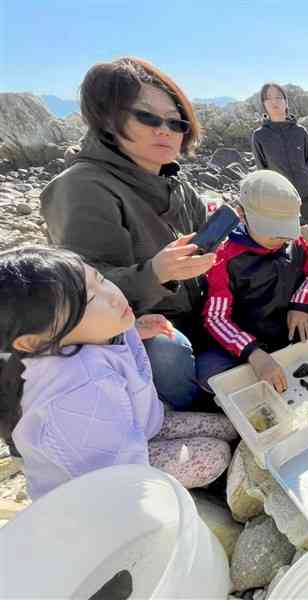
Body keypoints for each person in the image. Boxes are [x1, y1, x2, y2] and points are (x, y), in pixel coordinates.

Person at [40, 57, 215, 410]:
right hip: (136, 328)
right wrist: (156, 273)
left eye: (175, 121)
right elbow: (82, 294)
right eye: (147, 117)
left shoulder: (173, 183)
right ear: (108, 118)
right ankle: (190, 411)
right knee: (167, 351)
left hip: (196, 311)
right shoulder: (82, 187)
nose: (164, 130)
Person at [0, 247, 237, 501]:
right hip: (107, 473)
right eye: (90, 300)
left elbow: (98, 332)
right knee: (215, 455)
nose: (113, 296)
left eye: (100, 280)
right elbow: (117, 478)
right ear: (34, 342)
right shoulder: (71, 396)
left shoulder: (86, 334)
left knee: (229, 427)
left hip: (136, 426)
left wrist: (135, 327)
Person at [196, 171, 308, 392]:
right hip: (253, 337)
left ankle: (298, 347)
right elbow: (216, 319)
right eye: (272, 231)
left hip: (292, 324)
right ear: (242, 215)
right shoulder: (224, 258)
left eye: (285, 230)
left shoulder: (294, 241)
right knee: (208, 371)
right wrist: (253, 353)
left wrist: (300, 304)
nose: (281, 239)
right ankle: (266, 364)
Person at [251, 82, 308, 235]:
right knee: (291, 249)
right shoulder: (260, 136)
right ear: (264, 105)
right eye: (268, 98)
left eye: (278, 97)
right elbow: (263, 171)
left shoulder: (300, 132)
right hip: (281, 202)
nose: (274, 102)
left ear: (286, 102)